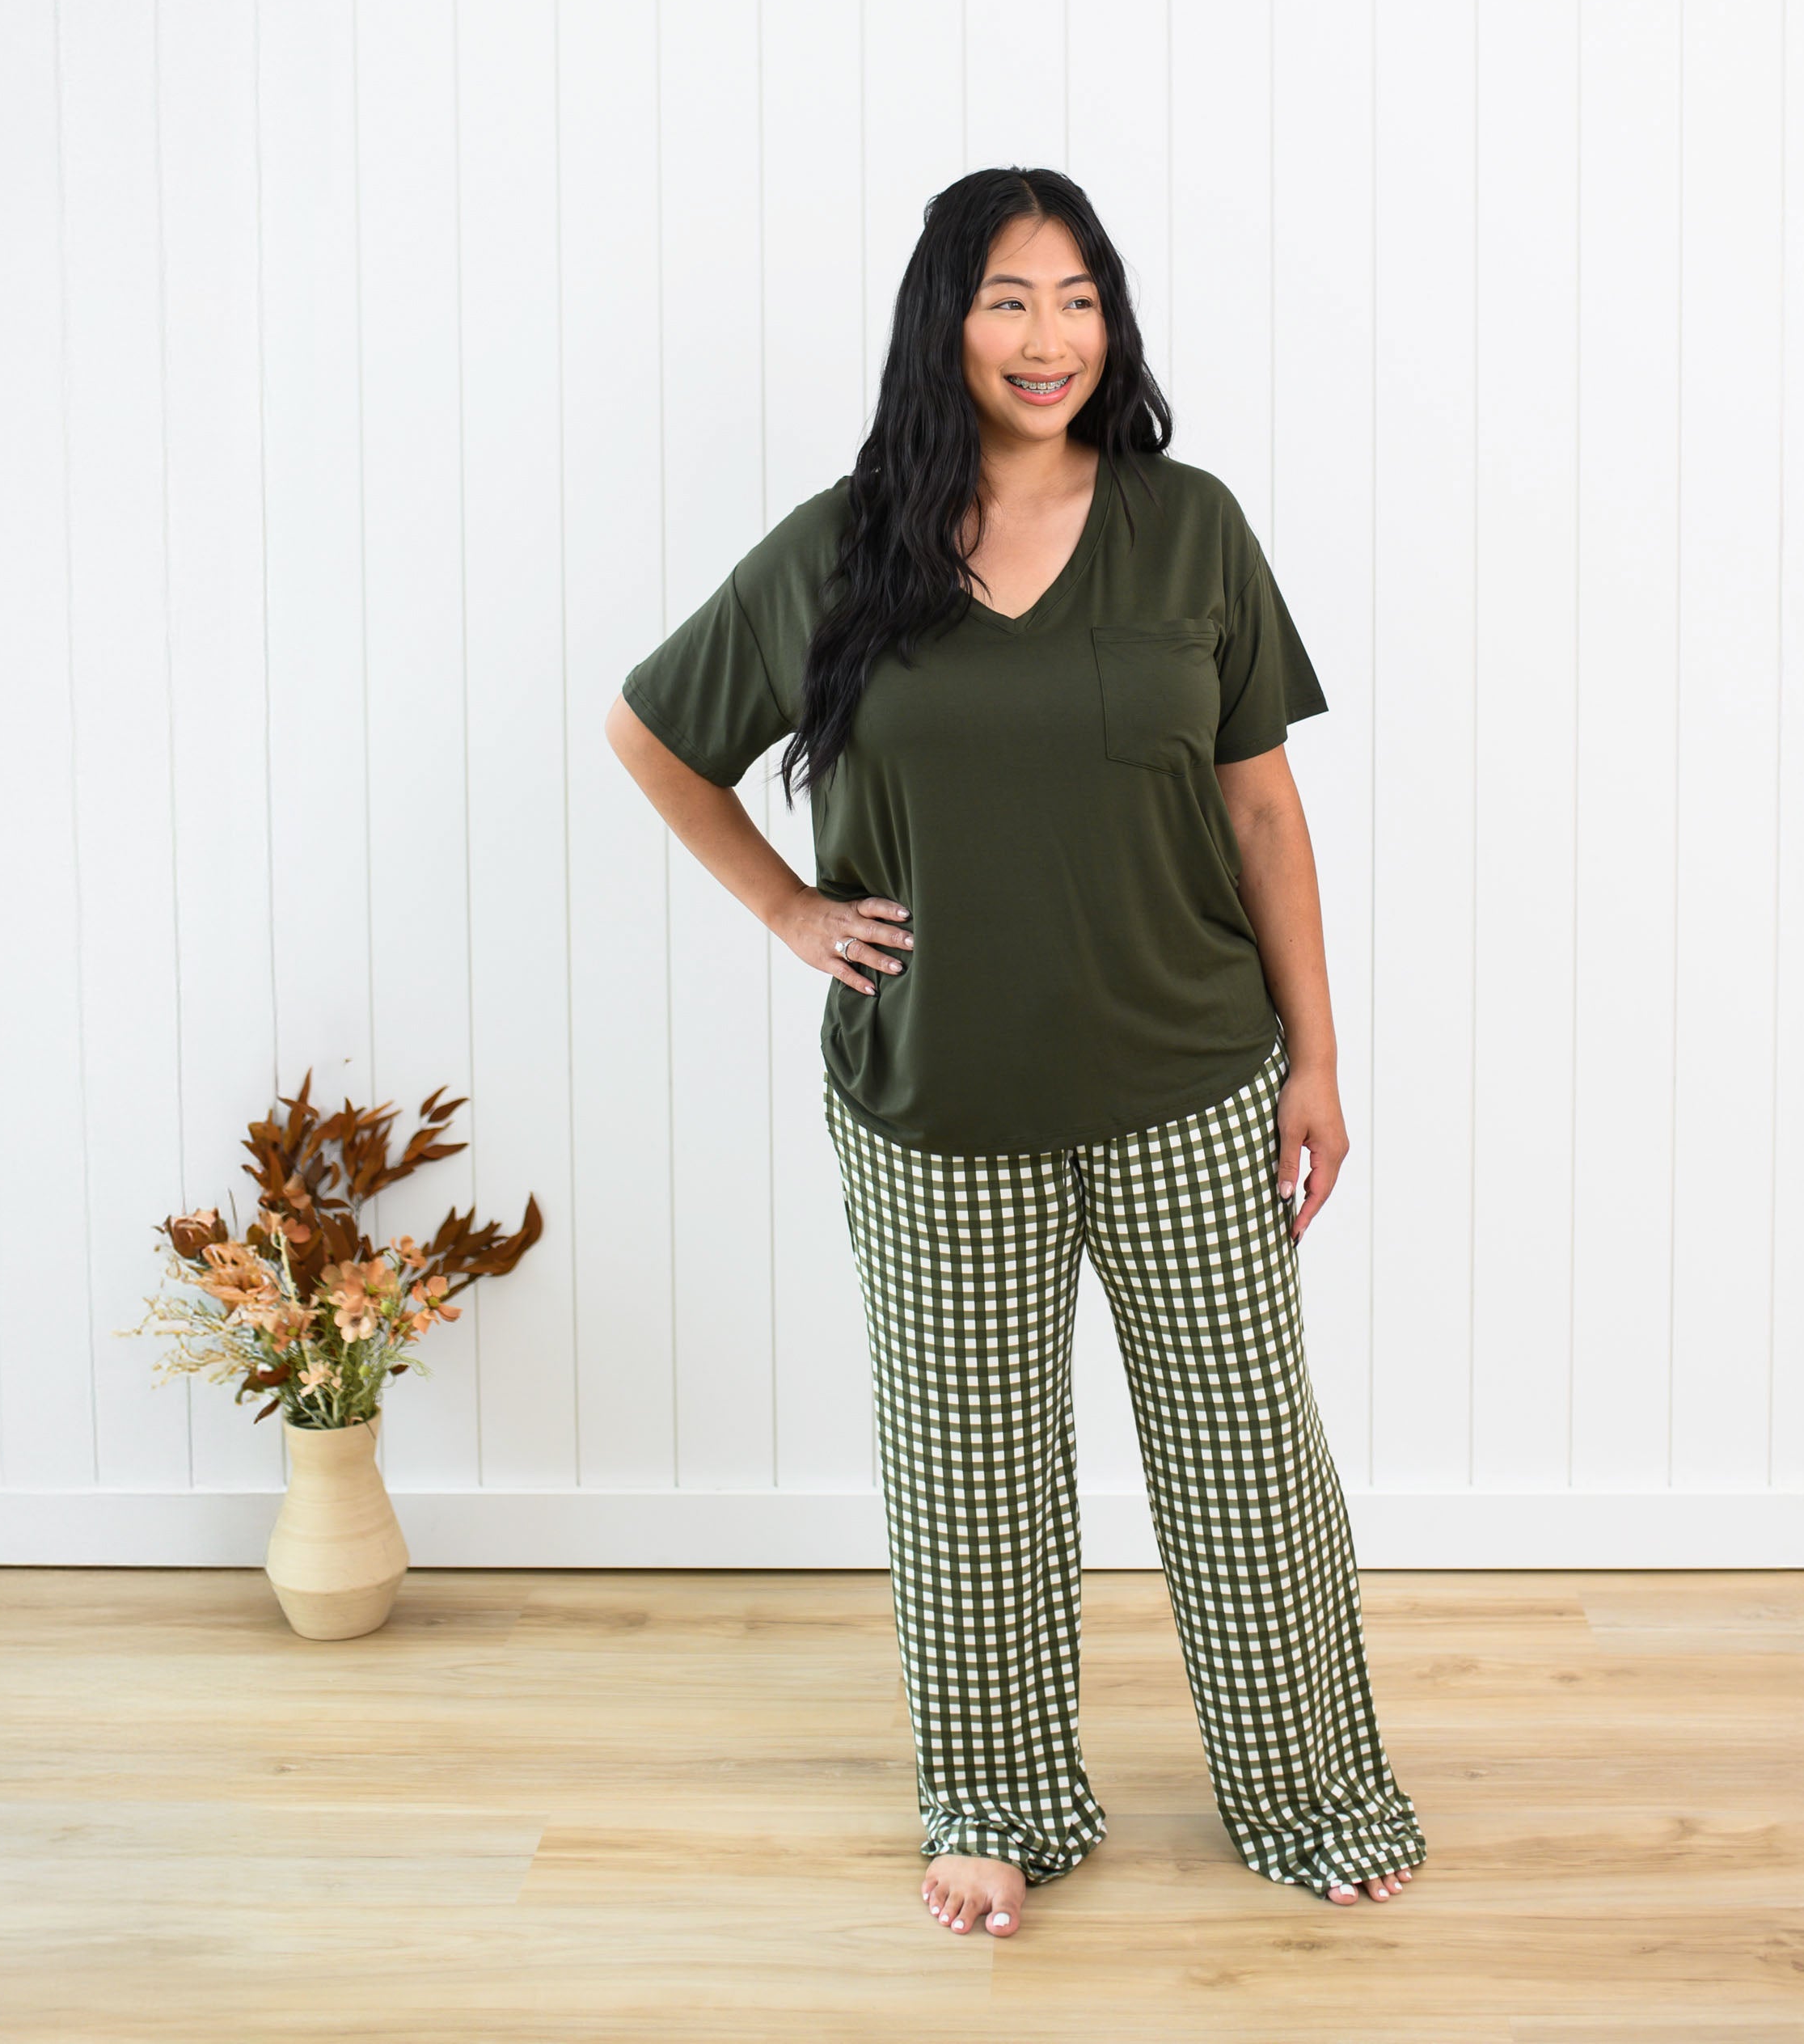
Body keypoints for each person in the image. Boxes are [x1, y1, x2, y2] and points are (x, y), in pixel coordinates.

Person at [606, 167, 1427, 1942]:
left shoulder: (1189, 526)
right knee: (969, 1477)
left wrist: (1317, 1061)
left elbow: (1264, 812)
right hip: (938, 1107)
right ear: (945, 323)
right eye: (1007, 300)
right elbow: (651, 732)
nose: (1049, 337)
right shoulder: (842, 548)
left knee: (1247, 1466)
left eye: (1077, 299)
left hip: (1192, 1085)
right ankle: (996, 1802)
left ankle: (1306, 1786)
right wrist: (790, 911)